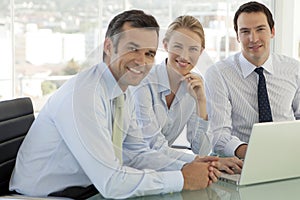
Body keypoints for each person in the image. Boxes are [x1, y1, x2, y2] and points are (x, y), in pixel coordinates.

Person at [10, 10, 220, 199]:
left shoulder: (121, 91)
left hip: (89, 189)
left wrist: (192, 166)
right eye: (133, 49)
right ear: (109, 47)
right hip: (46, 196)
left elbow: (138, 153)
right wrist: (182, 178)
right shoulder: (84, 96)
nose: (141, 61)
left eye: (149, 53)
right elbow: (111, 182)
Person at [131, 15, 243, 175]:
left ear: (201, 52)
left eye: (193, 49)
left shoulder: (195, 86)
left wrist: (201, 102)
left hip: (160, 171)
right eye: (178, 46)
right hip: (130, 171)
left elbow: (201, 149)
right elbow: (154, 146)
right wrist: (213, 162)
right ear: (165, 45)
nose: (184, 56)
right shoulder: (144, 83)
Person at [205, 1, 300, 159]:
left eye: (260, 29)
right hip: (241, 161)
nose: (253, 38)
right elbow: (219, 135)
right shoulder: (218, 73)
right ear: (237, 36)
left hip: (289, 158)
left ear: (272, 31)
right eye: (245, 31)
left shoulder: (294, 69)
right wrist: (256, 155)